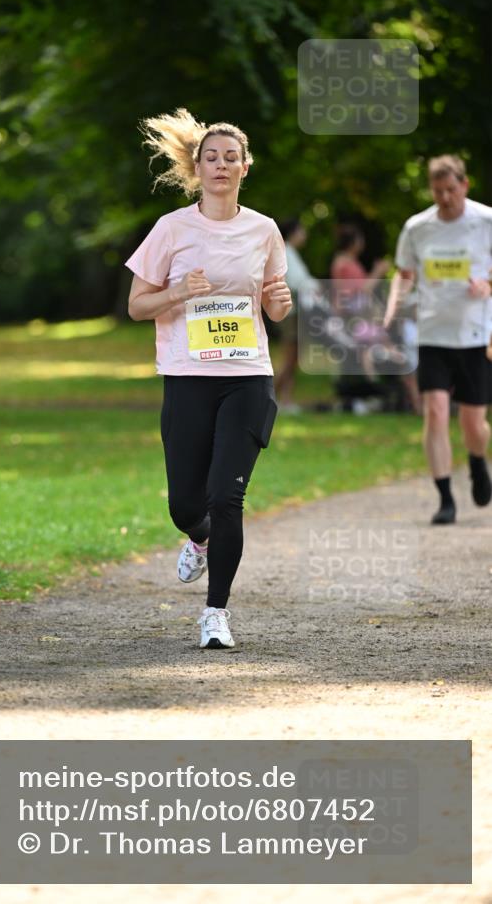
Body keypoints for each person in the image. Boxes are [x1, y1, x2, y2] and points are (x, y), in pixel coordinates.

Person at [125, 108, 291, 649]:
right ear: (197, 167)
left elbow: (276, 305)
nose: (222, 165)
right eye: (211, 157)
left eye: (231, 157)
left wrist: (279, 303)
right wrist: (178, 293)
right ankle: (199, 540)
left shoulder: (264, 230)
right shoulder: (171, 229)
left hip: (247, 375)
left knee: (227, 498)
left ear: (246, 167)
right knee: (186, 507)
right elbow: (136, 306)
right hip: (187, 376)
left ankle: (215, 613)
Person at [384, 154, 492, 524]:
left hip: (475, 333)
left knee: (474, 424)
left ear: (464, 185)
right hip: (432, 333)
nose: (445, 197)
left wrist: (488, 284)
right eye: (438, 190)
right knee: (435, 411)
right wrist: (394, 302)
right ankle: (445, 497)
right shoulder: (418, 227)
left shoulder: (485, 221)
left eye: (451, 189)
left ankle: (478, 461)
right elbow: (405, 273)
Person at [273, 219, 320, 412]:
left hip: (296, 312)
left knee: (294, 359)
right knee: (290, 358)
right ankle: (272, 396)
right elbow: (296, 282)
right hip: (289, 313)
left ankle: (285, 399)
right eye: (301, 230)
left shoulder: (292, 253)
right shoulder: (286, 253)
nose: (304, 235)